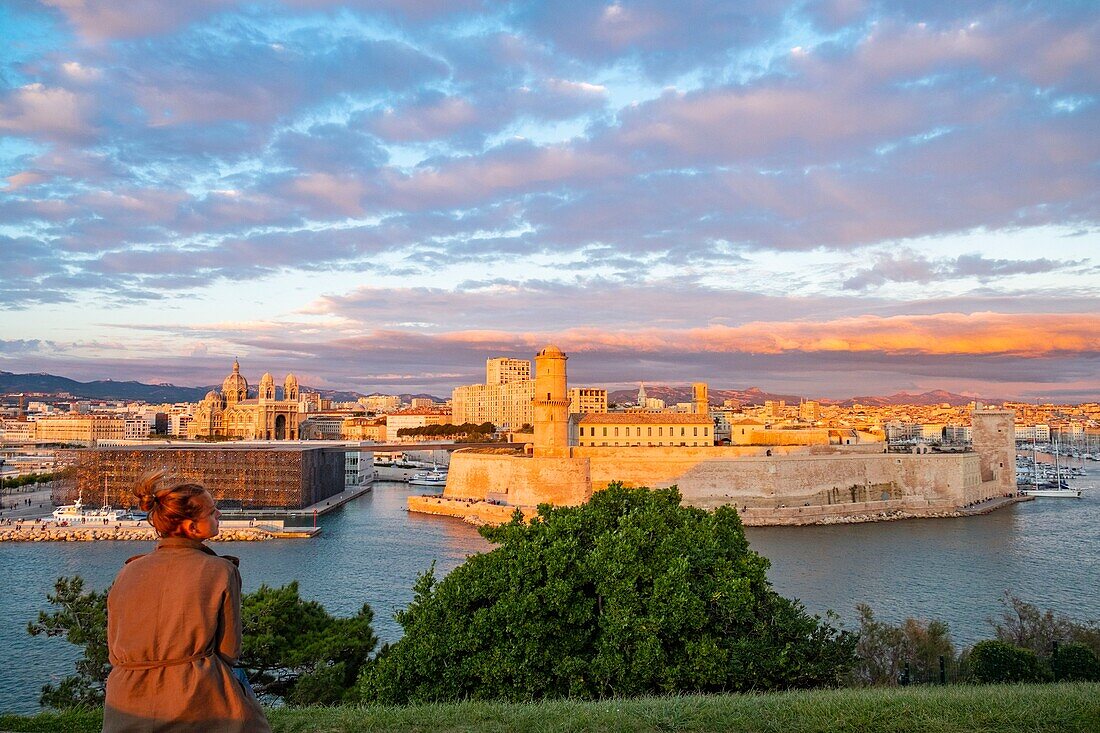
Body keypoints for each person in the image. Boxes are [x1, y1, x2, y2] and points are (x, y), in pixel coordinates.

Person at [103, 471, 270, 732]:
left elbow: (114, 647)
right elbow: (229, 651)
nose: (219, 516)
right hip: (194, 695)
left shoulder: (128, 571)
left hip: (125, 699)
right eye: (213, 512)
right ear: (191, 527)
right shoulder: (220, 571)